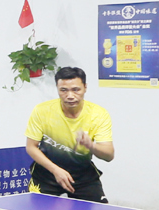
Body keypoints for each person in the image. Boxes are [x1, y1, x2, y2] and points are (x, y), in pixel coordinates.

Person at [25, 66, 114, 202]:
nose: (70, 96)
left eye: (76, 90)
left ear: (85, 87)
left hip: (83, 176)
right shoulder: (42, 111)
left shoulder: (98, 114)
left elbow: (109, 155)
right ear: (57, 88)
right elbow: (31, 147)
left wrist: (91, 146)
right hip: (47, 174)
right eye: (64, 90)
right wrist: (56, 170)